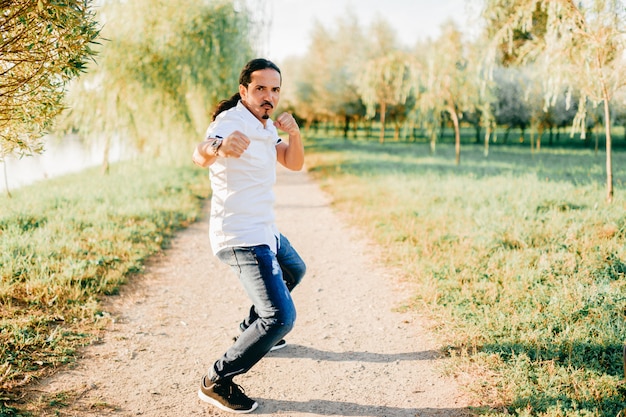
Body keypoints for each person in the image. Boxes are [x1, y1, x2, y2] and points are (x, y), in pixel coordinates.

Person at [192, 58, 307, 414]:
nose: (268, 96)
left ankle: (251, 330)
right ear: (244, 91)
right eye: (260, 89)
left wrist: (295, 135)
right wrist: (219, 147)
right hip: (240, 234)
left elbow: (293, 162)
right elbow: (198, 154)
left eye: (274, 89)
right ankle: (217, 380)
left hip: (264, 229)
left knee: (295, 271)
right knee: (281, 317)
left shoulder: (266, 124)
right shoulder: (229, 121)